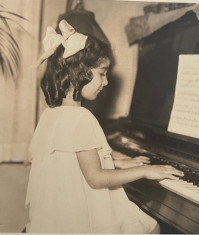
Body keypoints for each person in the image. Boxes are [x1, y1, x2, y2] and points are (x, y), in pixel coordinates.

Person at [25, 20, 183, 233]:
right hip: (83, 214)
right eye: (102, 72)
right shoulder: (81, 117)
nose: (106, 82)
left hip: (56, 213)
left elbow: (72, 158)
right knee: (150, 227)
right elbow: (96, 178)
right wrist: (145, 170)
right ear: (79, 71)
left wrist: (117, 161)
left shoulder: (51, 114)